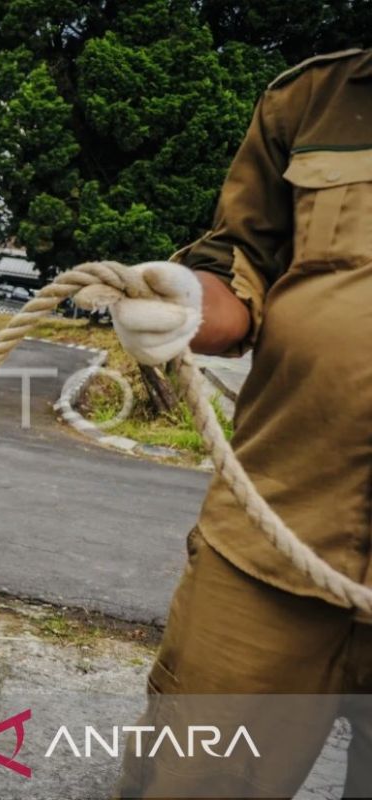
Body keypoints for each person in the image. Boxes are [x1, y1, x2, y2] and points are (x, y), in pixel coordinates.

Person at [110, 49, 372, 797]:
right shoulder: (309, 102)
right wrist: (186, 303)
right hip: (271, 544)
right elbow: (239, 270)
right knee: (192, 781)